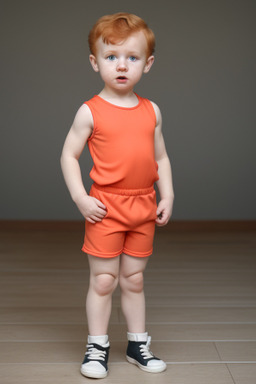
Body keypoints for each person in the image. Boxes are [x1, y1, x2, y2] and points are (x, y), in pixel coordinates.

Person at [60, 12, 174, 379]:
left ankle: (138, 343)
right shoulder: (90, 111)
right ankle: (97, 346)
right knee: (104, 279)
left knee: (134, 278)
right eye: (111, 57)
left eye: (132, 57)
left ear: (148, 63)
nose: (121, 65)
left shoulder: (151, 110)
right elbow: (68, 155)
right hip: (106, 206)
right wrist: (80, 197)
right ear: (95, 63)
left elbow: (161, 156)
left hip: (142, 203)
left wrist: (167, 194)